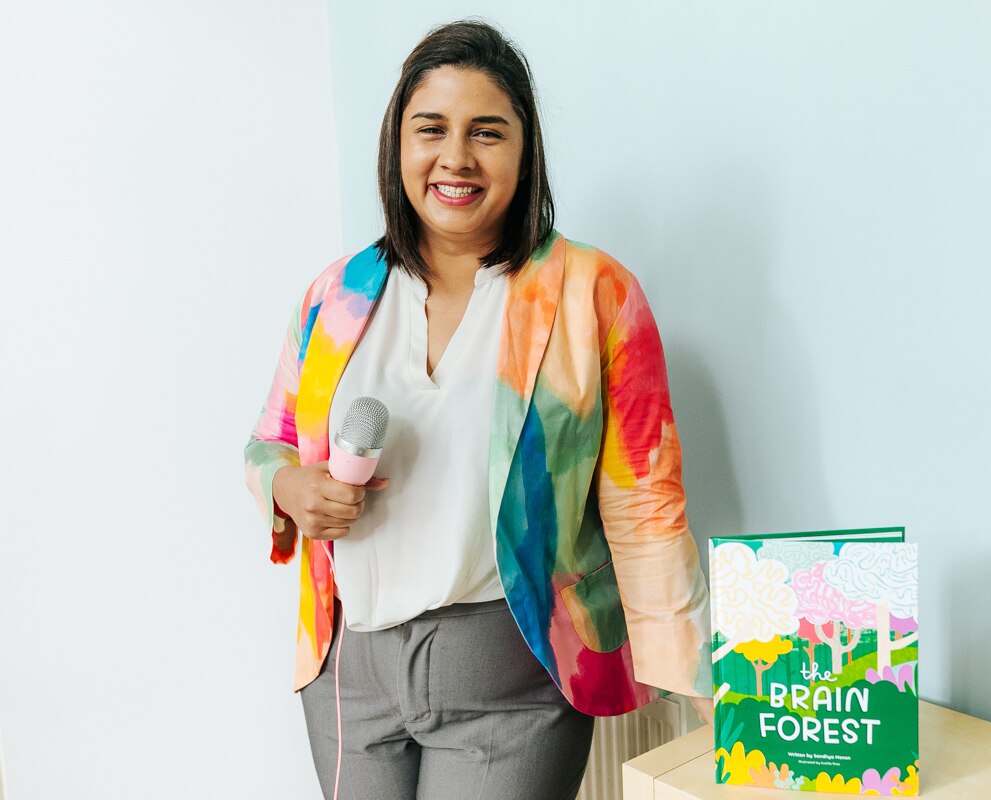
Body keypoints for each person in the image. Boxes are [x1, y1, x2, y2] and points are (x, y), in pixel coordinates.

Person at [243, 19, 713, 800]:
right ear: (398, 144)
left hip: (511, 677)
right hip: (348, 677)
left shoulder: (592, 294)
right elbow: (269, 444)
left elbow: (644, 506)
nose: (455, 157)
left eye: (486, 133)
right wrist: (289, 489)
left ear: (524, 152)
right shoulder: (338, 295)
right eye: (432, 129)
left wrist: (694, 683)